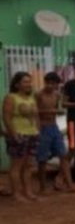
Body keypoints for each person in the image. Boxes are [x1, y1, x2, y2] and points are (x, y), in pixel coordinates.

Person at [36, 72, 75, 194]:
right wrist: (50, 111)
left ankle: (69, 184)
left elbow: (58, 109)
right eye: (49, 83)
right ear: (45, 82)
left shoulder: (57, 95)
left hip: (54, 127)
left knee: (63, 155)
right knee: (42, 159)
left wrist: (55, 111)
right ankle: (42, 187)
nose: (51, 86)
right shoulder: (38, 95)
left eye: (54, 84)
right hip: (42, 127)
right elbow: (34, 112)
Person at [2, 71, 40, 201]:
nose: (28, 84)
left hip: (32, 134)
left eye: (29, 81)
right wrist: (13, 134)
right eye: (25, 82)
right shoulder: (11, 98)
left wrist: (38, 130)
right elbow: (6, 117)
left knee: (29, 165)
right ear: (17, 84)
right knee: (17, 165)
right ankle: (16, 193)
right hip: (19, 134)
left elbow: (36, 116)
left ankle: (28, 191)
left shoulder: (31, 98)